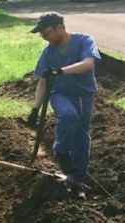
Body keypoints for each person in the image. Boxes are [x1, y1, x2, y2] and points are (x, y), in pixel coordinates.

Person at [27, 11, 100, 197]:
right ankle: (61, 151)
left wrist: (60, 71)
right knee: (68, 115)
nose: (44, 38)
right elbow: (43, 82)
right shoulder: (48, 52)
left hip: (83, 94)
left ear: (59, 27)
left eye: (46, 33)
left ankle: (76, 181)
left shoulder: (84, 41)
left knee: (81, 138)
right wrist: (35, 109)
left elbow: (87, 63)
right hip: (59, 93)